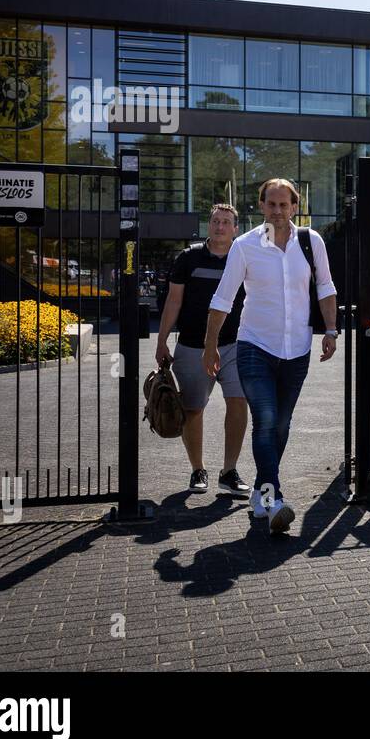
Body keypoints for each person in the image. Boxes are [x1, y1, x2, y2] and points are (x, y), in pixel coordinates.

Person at [203, 178, 338, 535]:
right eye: (271, 204)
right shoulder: (245, 246)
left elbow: (325, 285)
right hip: (254, 346)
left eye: (284, 205)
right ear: (261, 206)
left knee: (281, 424)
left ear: (295, 206)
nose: (278, 211)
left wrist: (331, 329)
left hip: (297, 350)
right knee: (264, 419)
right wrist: (210, 344)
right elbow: (223, 297)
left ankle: (260, 493)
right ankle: (273, 497)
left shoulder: (312, 242)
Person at [155, 203, 251, 497]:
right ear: (209, 225)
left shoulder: (245, 257)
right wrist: (161, 341)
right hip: (192, 346)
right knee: (193, 409)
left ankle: (229, 471)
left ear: (236, 229)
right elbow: (174, 301)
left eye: (226, 222)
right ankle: (198, 470)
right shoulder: (189, 257)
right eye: (215, 221)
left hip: (234, 345)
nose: (220, 226)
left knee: (238, 403)